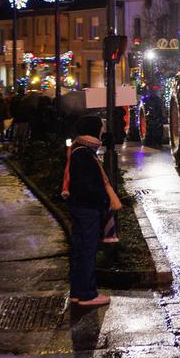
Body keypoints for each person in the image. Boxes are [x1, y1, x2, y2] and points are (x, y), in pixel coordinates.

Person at [61, 115, 112, 307]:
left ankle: (78, 292)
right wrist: (101, 199)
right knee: (86, 251)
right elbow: (87, 185)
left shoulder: (79, 148)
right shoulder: (83, 153)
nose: (102, 131)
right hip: (86, 209)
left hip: (81, 207)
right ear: (93, 129)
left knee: (80, 250)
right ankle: (87, 294)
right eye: (100, 127)